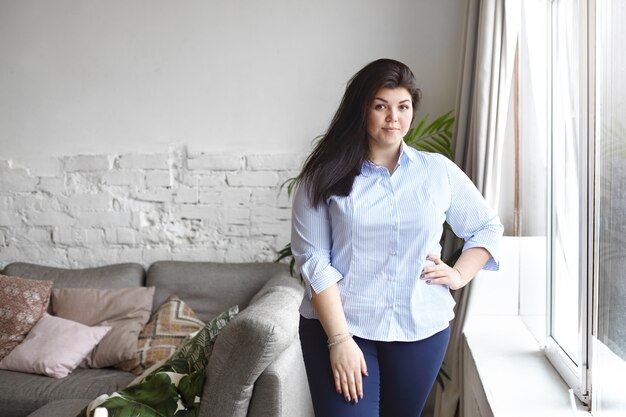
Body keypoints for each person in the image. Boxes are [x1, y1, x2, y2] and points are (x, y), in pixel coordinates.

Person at [291, 58, 503, 417]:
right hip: (343, 328)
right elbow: (315, 262)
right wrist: (339, 340)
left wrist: (459, 274)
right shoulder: (322, 175)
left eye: (403, 107)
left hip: (421, 330)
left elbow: (487, 226)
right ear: (361, 110)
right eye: (380, 106)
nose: (393, 117)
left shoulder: (437, 171)